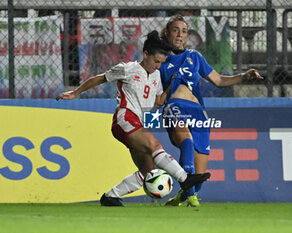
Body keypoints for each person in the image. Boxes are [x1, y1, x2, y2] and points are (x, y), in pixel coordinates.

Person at [56, 31, 211, 207]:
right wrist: (75, 93)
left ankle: (110, 197)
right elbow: (100, 78)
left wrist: (170, 86)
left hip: (139, 123)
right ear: (145, 54)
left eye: (161, 63)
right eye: (155, 61)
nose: (158, 66)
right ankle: (185, 179)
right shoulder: (128, 69)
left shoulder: (156, 76)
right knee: (155, 146)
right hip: (124, 119)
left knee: (149, 172)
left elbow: (158, 102)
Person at [159, 15, 263, 207]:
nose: (180, 35)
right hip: (175, 107)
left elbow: (219, 80)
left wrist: (244, 76)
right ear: (167, 33)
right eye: (175, 30)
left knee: (199, 177)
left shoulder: (195, 57)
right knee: (187, 143)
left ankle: (183, 197)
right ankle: (189, 196)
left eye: (183, 31)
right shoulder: (160, 58)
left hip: (198, 111)